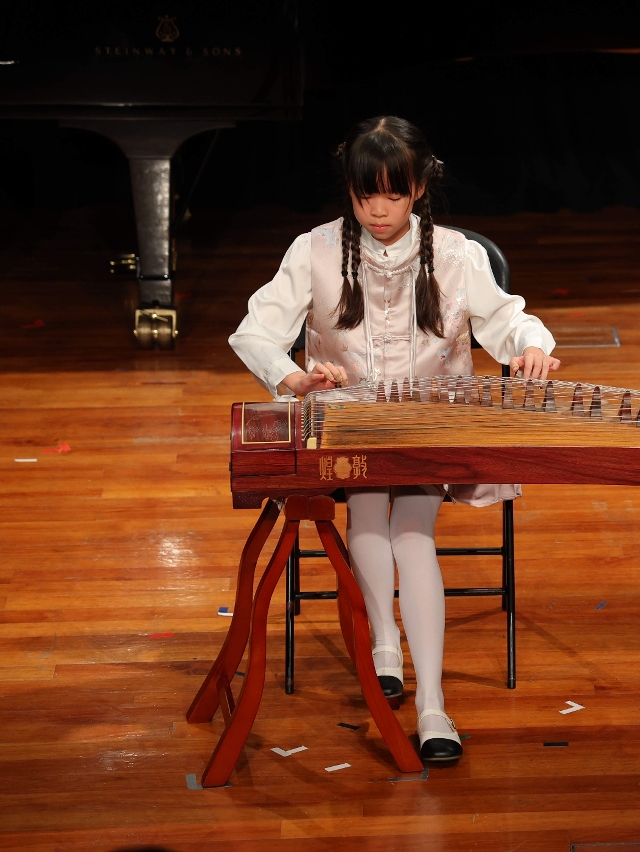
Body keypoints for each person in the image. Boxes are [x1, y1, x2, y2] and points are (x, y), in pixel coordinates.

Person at [229, 116, 560, 764]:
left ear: (419, 189)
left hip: (430, 424)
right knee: (367, 510)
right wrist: (294, 376)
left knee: (411, 531)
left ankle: (432, 703)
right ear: (350, 192)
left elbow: (509, 319)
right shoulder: (315, 250)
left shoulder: (456, 255)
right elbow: (254, 331)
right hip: (348, 424)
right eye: (365, 196)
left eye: (393, 194)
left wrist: (530, 348)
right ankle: (384, 642)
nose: (378, 211)